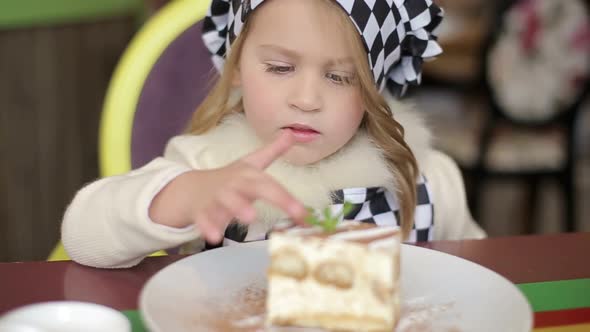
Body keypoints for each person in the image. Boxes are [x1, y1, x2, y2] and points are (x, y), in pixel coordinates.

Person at [61, 0, 485, 268]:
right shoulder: (209, 166)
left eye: (339, 77)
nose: (306, 98)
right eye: (281, 68)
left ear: (373, 91)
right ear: (237, 68)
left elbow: (481, 273)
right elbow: (82, 237)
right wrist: (182, 196)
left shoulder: (426, 178)